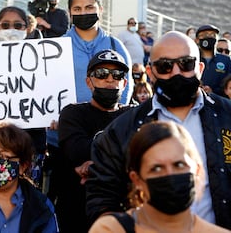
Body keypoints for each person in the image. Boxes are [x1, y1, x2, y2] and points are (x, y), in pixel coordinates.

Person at [85, 31, 231, 230]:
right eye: (165, 66)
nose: (176, 73)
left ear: (200, 67)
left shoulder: (227, 116)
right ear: (150, 71)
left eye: (186, 64)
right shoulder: (121, 130)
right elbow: (102, 197)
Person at [45, 0, 133, 199]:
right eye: (77, 8)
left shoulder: (115, 44)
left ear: (100, 10)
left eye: (89, 7)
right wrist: (50, 116)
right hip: (64, 136)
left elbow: (126, 84)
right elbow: (46, 85)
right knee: (66, 199)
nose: (83, 13)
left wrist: (111, 119)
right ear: (70, 12)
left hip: (108, 135)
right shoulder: (56, 46)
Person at [89, 121, 230, 233]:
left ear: (197, 171)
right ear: (137, 180)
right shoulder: (110, 229)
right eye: (156, 168)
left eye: (179, 165)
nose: (169, 174)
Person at [53, 49, 132, 233]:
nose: (110, 79)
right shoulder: (73, 113)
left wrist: (95, 161)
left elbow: (140, 155)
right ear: (89, 82)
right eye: (102, 74)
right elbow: (77, 151)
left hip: (121, 215)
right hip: (76, 213)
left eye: (117, 74)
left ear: (124, 83)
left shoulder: (132, 114)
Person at [0, 6, 47, 189]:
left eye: (18, 25)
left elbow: (49, 97)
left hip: (32, 144)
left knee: (29, 198)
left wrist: (55, 117)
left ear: (27, 29)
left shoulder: (44, 61)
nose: (12, 29)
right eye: (6, 25)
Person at [196, 24, 231, 96]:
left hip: (218, 103)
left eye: (212, 35)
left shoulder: (226, 60)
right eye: (204, 35)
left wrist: (213, 91)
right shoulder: (192, 59)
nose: (209, 37)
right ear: (197, 40)